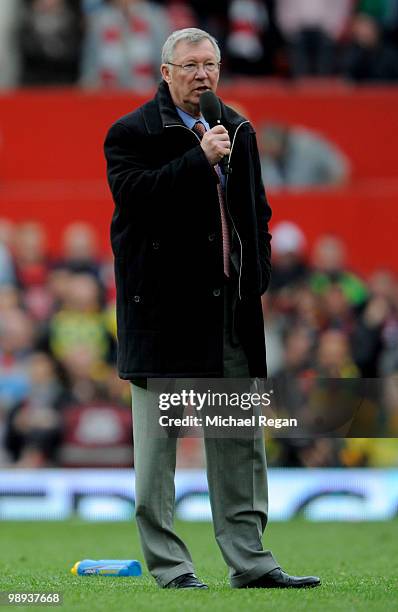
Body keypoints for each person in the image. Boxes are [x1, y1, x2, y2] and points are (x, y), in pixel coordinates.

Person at [104, 27, 320, 590]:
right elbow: (136, 202)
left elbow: (258, 212)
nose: (203, 74)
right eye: (191, 64)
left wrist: (260, 273)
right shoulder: (131, 132)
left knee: (238, 448)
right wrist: (199, 160)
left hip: (229, 313)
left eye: (211, 63)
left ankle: (250, 563)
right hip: (166, 318)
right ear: (166, 72)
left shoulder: (240, 129)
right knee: (158, 456)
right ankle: (172, 569)